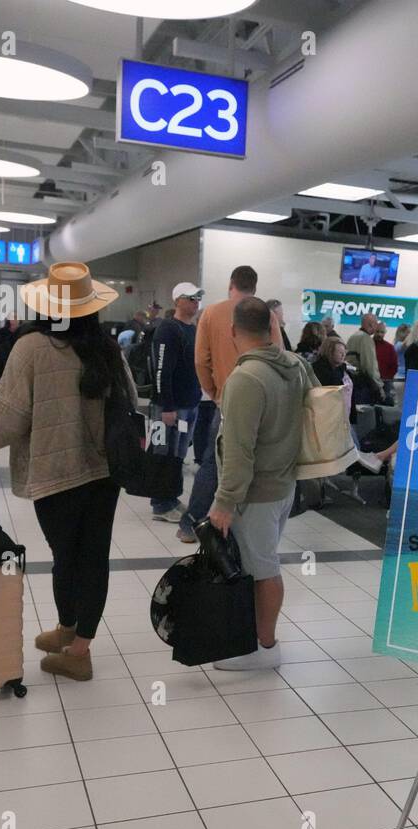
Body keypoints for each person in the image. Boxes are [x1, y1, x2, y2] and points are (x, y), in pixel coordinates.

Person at [0, 262, 131, 682]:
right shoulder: (107, 348)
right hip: (105, 474)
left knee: (67, 556)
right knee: (93, 556)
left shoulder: (33, 348)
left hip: (56, 474)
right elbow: (129, 404)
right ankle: (72, 635)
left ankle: (76, 649)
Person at [209, 298, 312, 671]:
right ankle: (255, 640)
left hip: (255, 493)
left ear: (233, 332)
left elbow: (239, 450)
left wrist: (223, 502)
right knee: (258, 566)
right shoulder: (296, 366)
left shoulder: (246, 379)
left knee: (263, 569)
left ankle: (265, 648)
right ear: (272, 327)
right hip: (284, 485)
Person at [181, 265, 258, 544]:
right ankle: (240, 527)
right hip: (258, 405)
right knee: (251, 461)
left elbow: (201, 360)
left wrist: (213, 391)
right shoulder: (264, 315)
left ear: (231, 284)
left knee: (213, 463)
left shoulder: (212, 313)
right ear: (254, 287)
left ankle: (190, 525)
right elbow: (278, 356)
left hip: (225, 400)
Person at [148, 282, 203, 522]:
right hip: (171, 406)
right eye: (190, 298)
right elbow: (161, 371)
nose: (195, 302)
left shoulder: (193, 329)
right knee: (165, 453)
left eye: (197, 298)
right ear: (177, 301)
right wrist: (167, 407)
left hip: (189, 403)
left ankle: (171, 496)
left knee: (178, 454)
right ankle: (160, 503)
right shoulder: (168, 329)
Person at [313, 335, 354, 419]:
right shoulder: (319, 370)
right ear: (329, 352)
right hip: (327, 416)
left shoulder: (342, 369)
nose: (343, 355)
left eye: (344, 352)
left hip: (343, 415)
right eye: (340, 352)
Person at [345, 313, 382, 394]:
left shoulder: (353, 336)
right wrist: (379, 387)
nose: (376, 327)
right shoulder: (366, 339)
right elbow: (370, 365)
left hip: (351, 381)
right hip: (363, 385)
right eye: (376, 323)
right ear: (371, 324)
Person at [373, 320, 397, 402]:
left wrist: (388, 378)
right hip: (370, 381)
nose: (379, 334)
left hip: (385, 381)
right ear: (374, 331)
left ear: (385, 332)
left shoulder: (389, 347)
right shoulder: (368, 344)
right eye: (378, 331)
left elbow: (394, 365)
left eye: (382, 332)